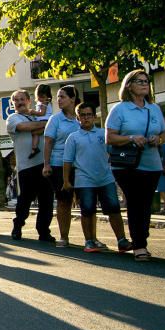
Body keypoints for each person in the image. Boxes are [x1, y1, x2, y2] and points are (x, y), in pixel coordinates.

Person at [107, 69, 165, 261]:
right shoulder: (120, 109)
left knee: (145, 204)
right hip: (126, 165)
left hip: (152, 164)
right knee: (135, 202)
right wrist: (131, 138)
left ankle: (142, 240)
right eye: (139, 81)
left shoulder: (154, 109)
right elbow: (109, 137)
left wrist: (157, 139)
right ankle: (139, 245)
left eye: (146, 81)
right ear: (129, 86)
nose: (144, 84)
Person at [63, 103, 129, 253]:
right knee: (87, 211)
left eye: (88, 115)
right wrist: (66, 180)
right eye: (82, 115)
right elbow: (67, 161)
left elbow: (114, 153)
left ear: (94, 116)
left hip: (106, 178)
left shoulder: (103, 134)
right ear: (78, 118)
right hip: (84, 180)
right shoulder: (73, 138)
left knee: (114, 209)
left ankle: (122, 240)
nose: (86, 118)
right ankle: (89, 241)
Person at [7, 89, 55, 242]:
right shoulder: (13, 118)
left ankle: (43, 231)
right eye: (16, 100)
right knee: (24, 200)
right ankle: (18, 226)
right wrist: (43, 125)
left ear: (29, 101)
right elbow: (24, 128)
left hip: (45, 164)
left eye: (22, 99)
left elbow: (49, 129)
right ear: (13, 103)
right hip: (26, 166)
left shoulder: (37, 115)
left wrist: (39, 125)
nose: (20, 102)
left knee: (46, 200)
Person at [42, 85, 81, 247]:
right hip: (59, 165)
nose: (59, 100)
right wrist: (46, 164)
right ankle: (64, 237)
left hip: (80, 165)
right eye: (57, 97)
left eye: (62, 96)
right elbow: (48, 142)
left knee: (85, 200)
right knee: (64, 201)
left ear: (72, 99)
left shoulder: (81, 117)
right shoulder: (55, 119)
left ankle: (91, 238)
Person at [28, 83, 53, 157]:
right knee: (35, 134)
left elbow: (42, 113)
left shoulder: (45, 103)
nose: (40, 99)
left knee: (34, 133)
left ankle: (34, 148)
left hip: (44, 121)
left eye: (42, 97)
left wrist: (33, 112)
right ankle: (34, 148)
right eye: (39, 96)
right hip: (42, 121)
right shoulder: (41, 102)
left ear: (47, 97)